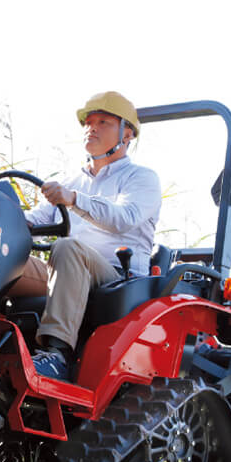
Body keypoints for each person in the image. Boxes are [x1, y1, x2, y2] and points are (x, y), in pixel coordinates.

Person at [12, 91, 162, 381]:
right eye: (88, 122)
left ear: (127, 134)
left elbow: (125, 217)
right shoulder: (72, 180)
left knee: (69, 248)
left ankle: (56, 356)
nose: (92, 127)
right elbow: (36, 218)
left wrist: (73, 199)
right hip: (67, 272)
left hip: (117, 279)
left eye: (103, 122)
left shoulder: (141, 178)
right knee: (3, 261)